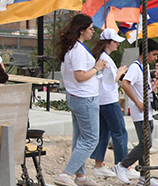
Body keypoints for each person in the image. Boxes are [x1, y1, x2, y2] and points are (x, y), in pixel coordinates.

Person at [54, 14, 108, 186]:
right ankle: (65, 174)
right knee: (92, 138)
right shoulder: (76, 50)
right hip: (84, 97)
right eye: (91, 29)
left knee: (80, 139)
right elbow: (80, 76)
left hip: (79, 96)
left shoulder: (73, 47)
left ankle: (80, 176)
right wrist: (97, 68)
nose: (93, 32)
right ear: (82, 30)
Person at [113, 39, 158, 185]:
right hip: (140, 113)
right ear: (145, 53)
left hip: (148, 112)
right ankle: (122, 165)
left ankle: (144, 177)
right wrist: (137, 102)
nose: (155, 58)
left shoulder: (144, 68)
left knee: (145, 144)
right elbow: (125, 83)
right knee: (146, 144)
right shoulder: (135, 67)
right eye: (154, 54)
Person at [90, 28, 130, 179]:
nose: (117, 44)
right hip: (109, 100)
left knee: (105, 132)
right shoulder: (104, 59)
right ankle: (123, 165)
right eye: (115, 42)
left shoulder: (102, 57)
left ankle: (99, 164)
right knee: (120, 132)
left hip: (103, 100)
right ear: (107, 43)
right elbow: (108, 83)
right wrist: (119, 73)